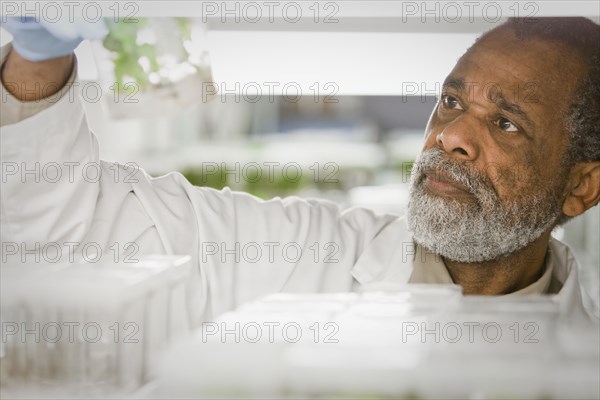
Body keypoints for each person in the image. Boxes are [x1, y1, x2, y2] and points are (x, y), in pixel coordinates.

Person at [1, 16, 598, 325]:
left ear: (581, 185)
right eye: (451, 101)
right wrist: (37, 60)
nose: (449, 137)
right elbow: (66, 228)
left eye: (506, 124)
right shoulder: (296, 252)